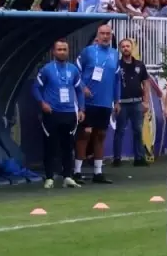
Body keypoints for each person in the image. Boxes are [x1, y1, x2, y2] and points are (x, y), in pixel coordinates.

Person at [33, 39, 85, 189]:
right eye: (59, 49)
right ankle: (49, 177)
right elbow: (35, 88)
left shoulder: (73, 69)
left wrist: (81, 109)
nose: (62, 52)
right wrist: (42, 103)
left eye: (64, 49)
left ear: (68, 51)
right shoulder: (47, 69)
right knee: (50, 146)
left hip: (69, 113)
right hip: (52, 113)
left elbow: (79, 90)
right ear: (53, 52)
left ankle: (67, 176)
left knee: (68, 146)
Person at [75, 23, 119, 184]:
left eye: (108, 34)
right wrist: (82, 87)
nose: (106, 36)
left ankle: (98, 173)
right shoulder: (88, 52)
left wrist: (117, 100)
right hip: (88, 101)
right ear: (97, 36)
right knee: (85, 133)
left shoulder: (115, 54)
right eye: (103, 33)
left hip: (105, 102)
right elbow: (75, 72)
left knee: (101, 135)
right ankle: (77, 171)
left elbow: (117, 80)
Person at [114, 37, 152, 168]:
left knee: (138, 130)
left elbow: (146, 83)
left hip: (137, 102)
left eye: (127, 46)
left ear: (132, 48)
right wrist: (115, 102)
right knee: (119, 131)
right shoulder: (117, 65)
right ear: (120, 49)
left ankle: (139, 158)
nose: (125, 48)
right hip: (122, 103)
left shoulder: (139, 65)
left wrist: (146, 102)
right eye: (123, 46)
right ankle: (117, 158)